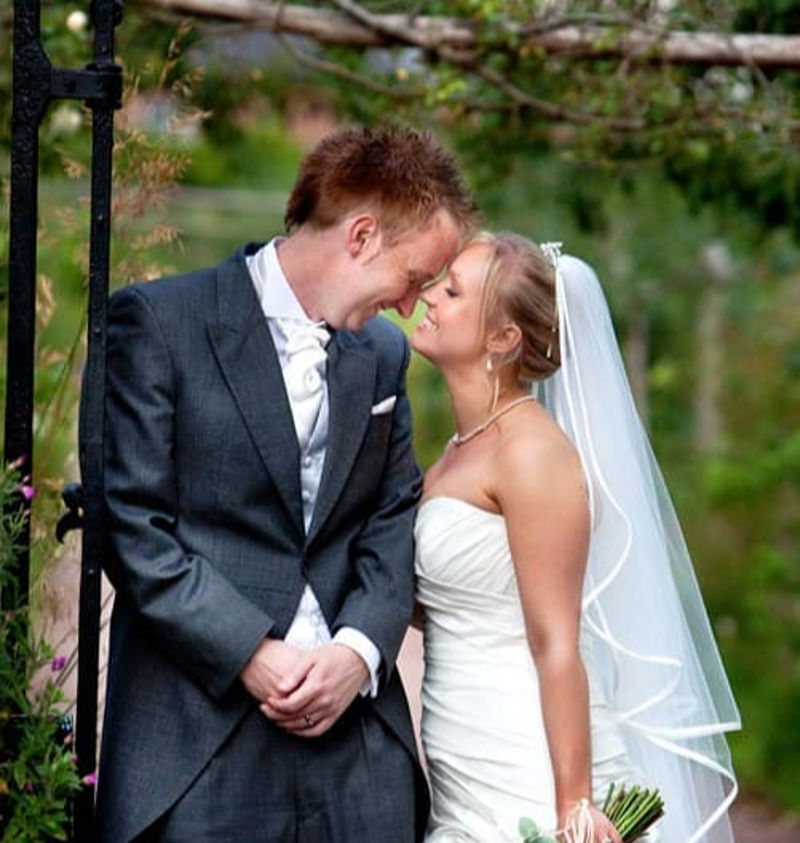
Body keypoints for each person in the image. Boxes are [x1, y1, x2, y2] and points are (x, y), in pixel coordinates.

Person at [90, 126, 477, 843]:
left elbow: (391, 518)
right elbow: (131, 524)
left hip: (356, 751)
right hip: (200, 735)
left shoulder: (383, 356)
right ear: (361, 236)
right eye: (415, 277)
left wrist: (358, 651)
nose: (408, 305)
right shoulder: (160, 322)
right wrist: (250, 652)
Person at [411, 234, 740, 843]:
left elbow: (558, 641)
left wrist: (574, 807)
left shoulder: (531, 454)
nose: (428, 297)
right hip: (466, 761)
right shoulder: (460, 450)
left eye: (452, 291)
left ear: (503, 338)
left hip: (524, 763)